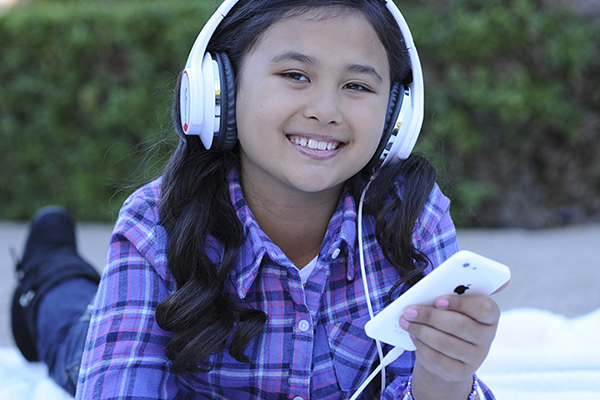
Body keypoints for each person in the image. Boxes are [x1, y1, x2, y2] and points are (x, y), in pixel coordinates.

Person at [11, 0, 503, 398]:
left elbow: (417, 383)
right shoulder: (155, 223)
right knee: (73, 337)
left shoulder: (412, 219)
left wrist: (445, 379)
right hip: (107, 351)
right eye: (295, 75)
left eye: (357, 85)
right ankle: (46, 276)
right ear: (220, 89)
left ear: (396, 117)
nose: (326, 110)